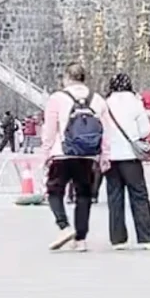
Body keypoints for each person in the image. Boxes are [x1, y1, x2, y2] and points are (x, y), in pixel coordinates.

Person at [39, 63, 109, 252]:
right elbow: (105, 131)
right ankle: (81, 239)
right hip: (88, 155)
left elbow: (50, 129)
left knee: (54, 191)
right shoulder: (98, 100)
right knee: (84, 195)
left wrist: (45, 154)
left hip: (62, 153)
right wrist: (104, 155)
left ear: (67, 78)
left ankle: (64, 227)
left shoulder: (57, 98)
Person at [103, 73, 150, 250]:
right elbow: (145, 129)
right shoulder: (135, 102)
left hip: (110, 157)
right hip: (130, 157)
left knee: (114, 196)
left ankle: (118, 238)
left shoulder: (105, 104)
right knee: (139, 195)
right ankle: (146, 235)